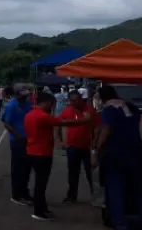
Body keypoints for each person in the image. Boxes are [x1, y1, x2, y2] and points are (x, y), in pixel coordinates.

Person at [95, 85, 142, 230]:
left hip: (115, 155)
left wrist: (98, 149)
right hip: (136, 153)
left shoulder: (109, 109)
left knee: (116, 190)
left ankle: (121, 226)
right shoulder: (132, 107)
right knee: (141, 190)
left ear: (102, 98)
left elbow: (106, 131)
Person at [23, 93, 94, 221]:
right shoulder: (43, 116)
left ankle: (42, 208)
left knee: (40, 183)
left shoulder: (30, 114)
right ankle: (39, 211)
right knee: (41, 184)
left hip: (32, 151)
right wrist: (84, 120)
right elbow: (64, 122)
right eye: (51, 103)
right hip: (42, 153)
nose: (52, 106)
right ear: (45, 102)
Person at [57, 90, 99, 203]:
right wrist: (60, 140)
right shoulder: (67, 111)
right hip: (73, 147)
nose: (74, 103)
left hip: (87, 147)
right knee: (73, 173)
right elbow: (58, 124)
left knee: (91, 173)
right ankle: (72, 196)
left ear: (81, 99)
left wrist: (95, 144)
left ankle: (96, 196)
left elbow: (97, 127)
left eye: (77, 100)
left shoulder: (89, 110)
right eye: (72, 101)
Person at [1, 85, 33, 205]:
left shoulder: (27, 103)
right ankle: (17, 195)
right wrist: (18, 136)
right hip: (17, 140)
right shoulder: (12, 106)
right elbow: (7, 123)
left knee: (26, 168)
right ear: (17, 94)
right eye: (24, 94)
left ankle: (24, 192)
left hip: (28, 139)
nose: (26, 96)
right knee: (18, 168)